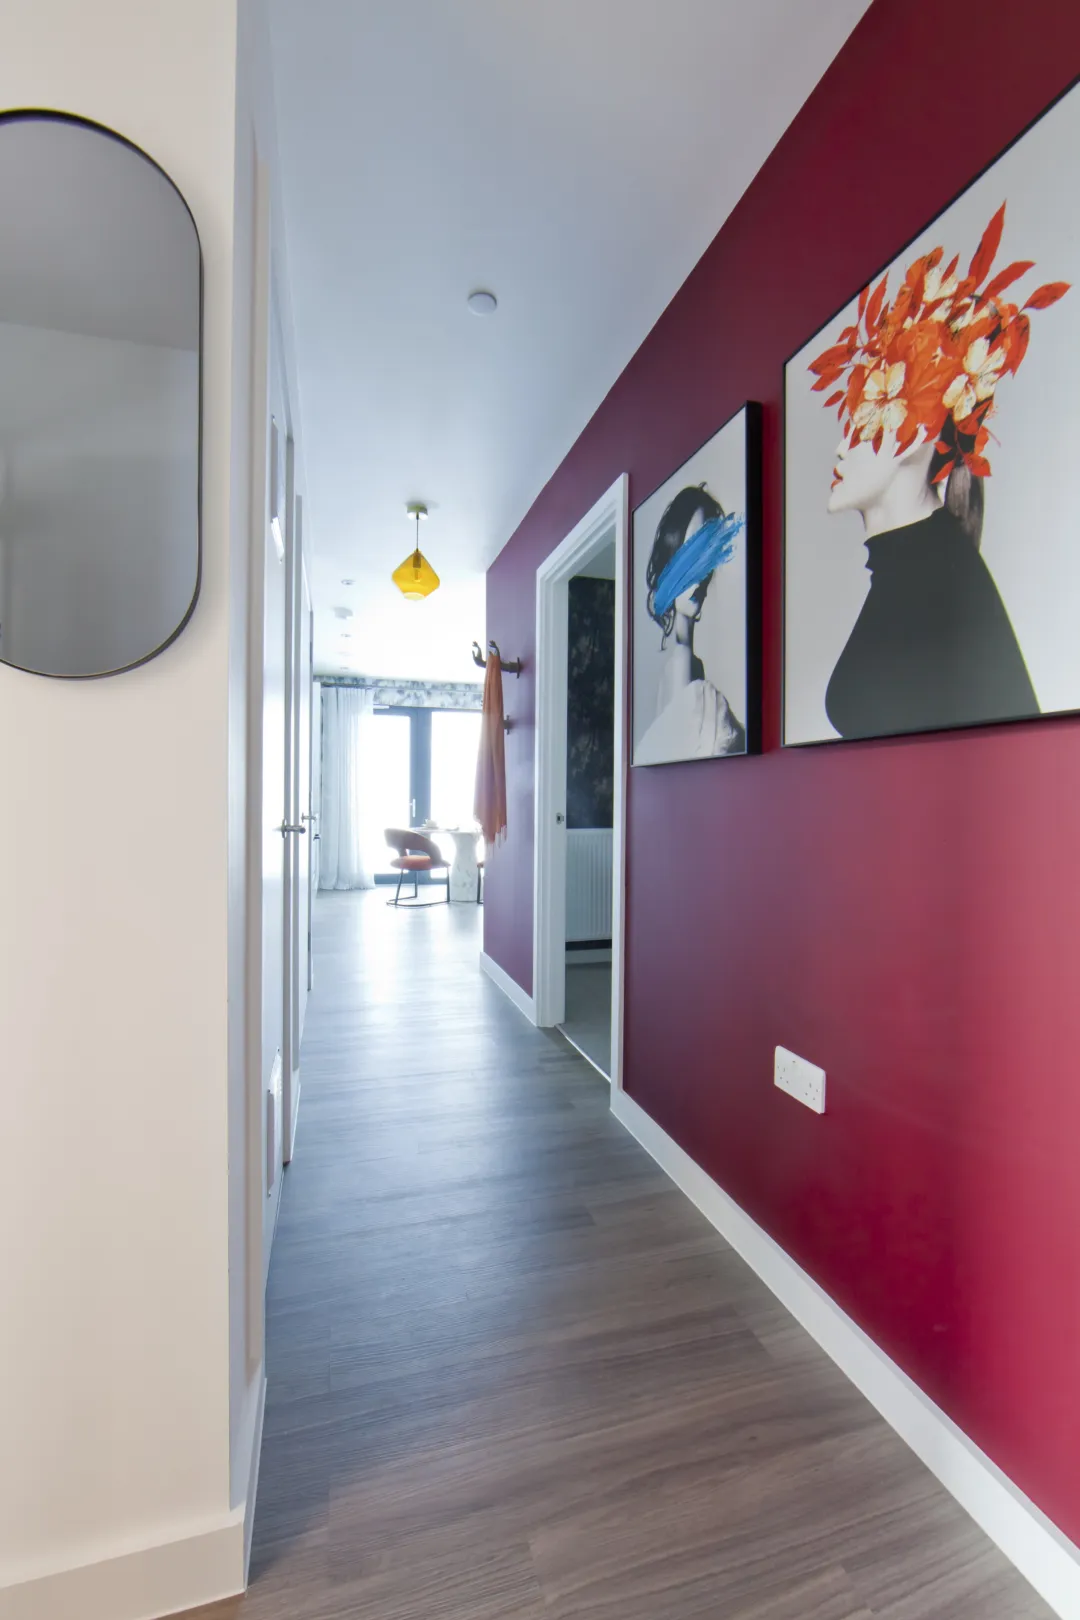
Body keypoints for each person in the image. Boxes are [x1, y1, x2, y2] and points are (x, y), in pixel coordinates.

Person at [807, 202, 1068, 740]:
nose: (838, 449)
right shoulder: (919, 567)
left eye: (863, 422)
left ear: (919, 436)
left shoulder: (939, 577)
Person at [634, 484, 745, 764]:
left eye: (707, 556)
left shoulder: (688, 665)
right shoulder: (680, 664)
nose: (699, 577)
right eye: (690, 556)